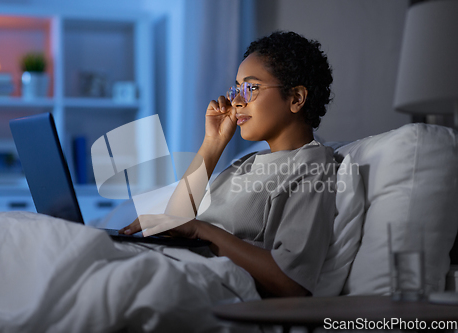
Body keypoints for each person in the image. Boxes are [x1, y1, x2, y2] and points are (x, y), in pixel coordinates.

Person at [120, 31, 336, 298]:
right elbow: (175, 221)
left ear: (296, 98)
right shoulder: (246, 163)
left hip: (209, 285)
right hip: (174, 264)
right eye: (236, 88)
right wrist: (213, 143)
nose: (236, 101)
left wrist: (202, 231)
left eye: (251, 88)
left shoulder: (313, 165)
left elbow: (292, 283)